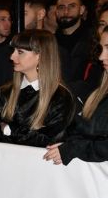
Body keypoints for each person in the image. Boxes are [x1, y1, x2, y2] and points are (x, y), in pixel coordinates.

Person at [0, 29, 75, 147]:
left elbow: (48, 140)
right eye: (13, 50)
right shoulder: (4, 93)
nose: (12, 56)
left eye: (20, 52)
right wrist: (29, 134)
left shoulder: (60, 97)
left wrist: (8, 129)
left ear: (40, 55)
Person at [44, 27, 108, 166]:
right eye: (101, 48)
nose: (101, 56)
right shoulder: (101, 92)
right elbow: (88, 131)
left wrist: (73, 148)